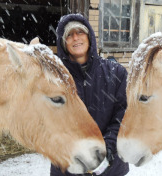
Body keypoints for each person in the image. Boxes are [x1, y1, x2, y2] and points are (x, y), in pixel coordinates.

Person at [50, 13, 129, 176]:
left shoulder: (116, 73)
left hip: (110, 168)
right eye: (69, 35)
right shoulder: (53, 78)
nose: (75, 38)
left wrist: (108, 147)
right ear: (63, 43)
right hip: (68, 166)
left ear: (89, 36)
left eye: (80, 32)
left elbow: (124, 114)